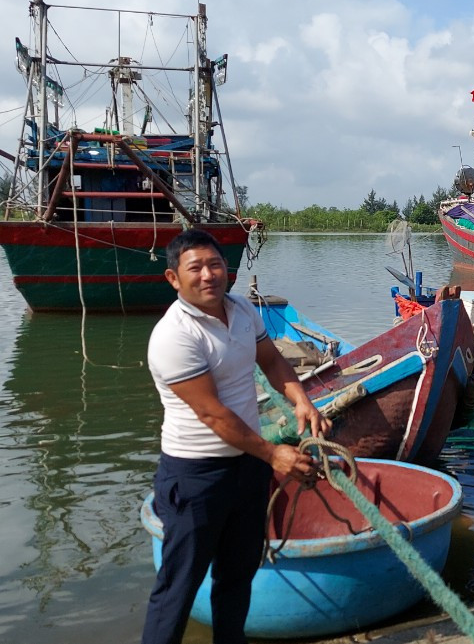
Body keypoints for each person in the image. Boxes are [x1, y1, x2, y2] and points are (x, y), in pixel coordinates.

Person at [141, 229, 331, 644]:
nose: (209, 275)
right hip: (196, 475)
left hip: (246, 469)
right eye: (196, 268)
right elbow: (213, 414)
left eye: (215, 265)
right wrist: (274, 454)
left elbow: (272, 361)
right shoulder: (174, 336)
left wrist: (301, 398)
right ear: (174, 278)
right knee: (179, 587)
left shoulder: (243, 310)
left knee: (238, 574)